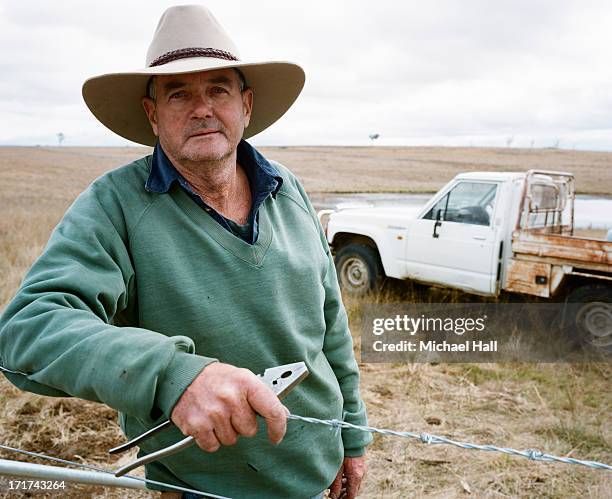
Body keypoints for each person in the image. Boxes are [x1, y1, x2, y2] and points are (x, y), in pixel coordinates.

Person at [0, 5, 371, 498]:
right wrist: (172, 374)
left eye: (218, 88)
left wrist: (353, 435)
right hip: (199, 487)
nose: (202, 108)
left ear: (246, 104)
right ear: (153, 114)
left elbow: (329, 323)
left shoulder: (289, 189)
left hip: (317, 469)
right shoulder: (115, 207)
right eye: (178, 93)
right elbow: (27, 330)